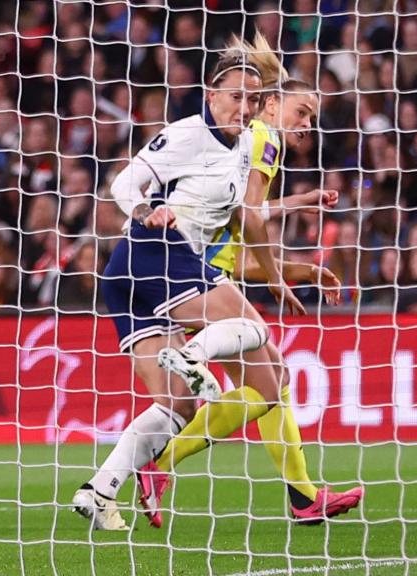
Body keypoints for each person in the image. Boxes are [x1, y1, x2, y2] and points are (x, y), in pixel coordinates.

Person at [135, 32, 362, 528]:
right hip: (192, 275)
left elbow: (243, 224)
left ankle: (303, 497)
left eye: (312, 119)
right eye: (302, 112)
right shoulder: (263, 138)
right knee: (270, 382)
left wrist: (294, 264)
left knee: (272, 384)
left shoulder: (242, 140)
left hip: (186, 269)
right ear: (273, 103)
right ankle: (159, 463)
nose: (307, 126)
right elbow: (251, 221)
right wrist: (282, 279)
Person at [72, 48, 296, 530]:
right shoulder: (187, 134)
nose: (245, 108)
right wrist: (145, 210)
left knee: (177, 404)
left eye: (253, 100)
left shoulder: (244, 146)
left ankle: (100, 490)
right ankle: (195, 355)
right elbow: (123, 184)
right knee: (255, 336)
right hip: (156, 253)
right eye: (235, 97)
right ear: (211, 95)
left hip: (131, 276)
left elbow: (244, 212)